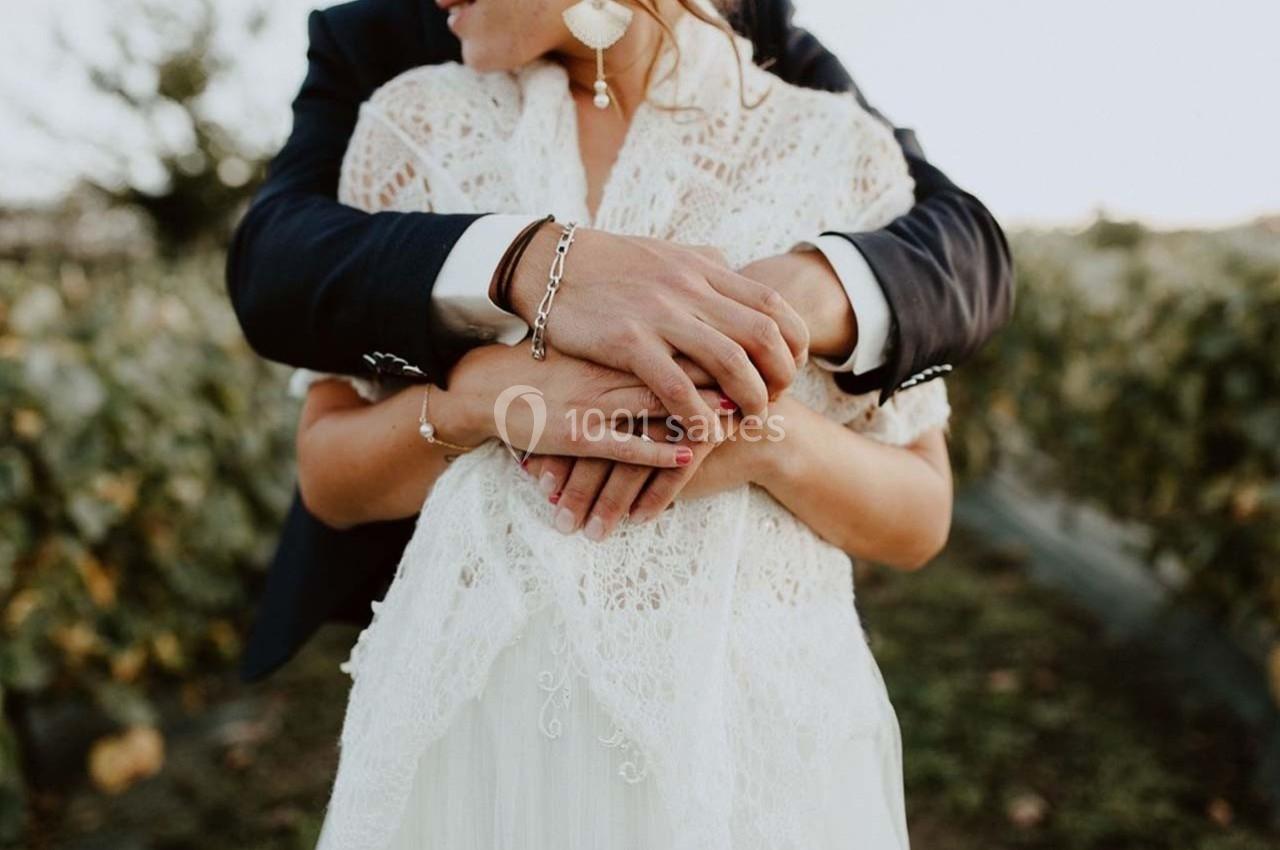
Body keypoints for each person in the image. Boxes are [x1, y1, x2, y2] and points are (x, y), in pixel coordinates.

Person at [281, 0, 971, 846]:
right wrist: (479, 400)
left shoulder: (838, 149)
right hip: (472, 740)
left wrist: (767, 439)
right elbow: (328, 474)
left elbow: (921, 515)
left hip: (761, 746)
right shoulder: (415, 125)